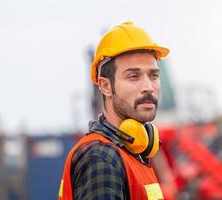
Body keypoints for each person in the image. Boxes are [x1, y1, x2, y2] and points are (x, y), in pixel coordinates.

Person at [58, 21, 169, 200]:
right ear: (105, 86)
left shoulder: (132, 153)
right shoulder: (101, 158)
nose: (148, 87)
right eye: (134, 76)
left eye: (153, 76)